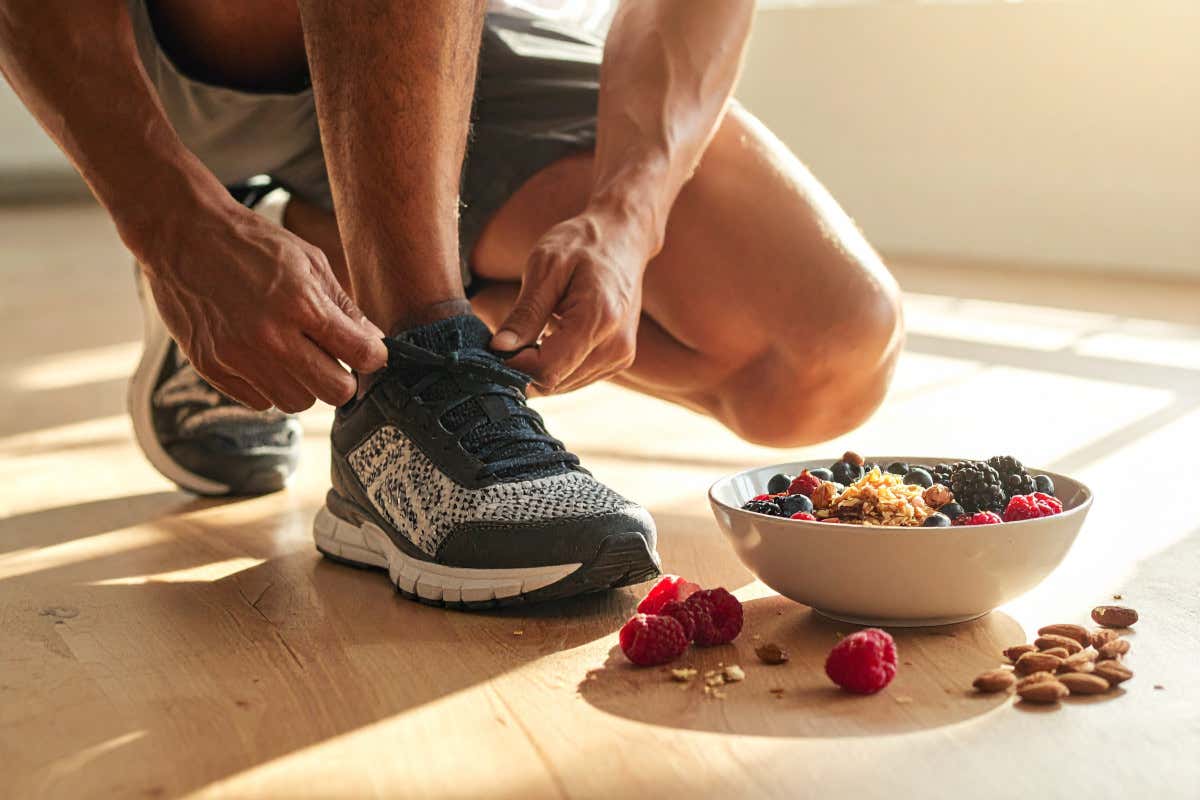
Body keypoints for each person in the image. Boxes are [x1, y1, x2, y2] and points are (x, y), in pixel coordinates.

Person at [0, 0, 902, 607]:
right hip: (152, 50)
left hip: (443, 46)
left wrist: (630, 218)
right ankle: (413, 370)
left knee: (822, 357)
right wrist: (171, 228)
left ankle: (298, 245)